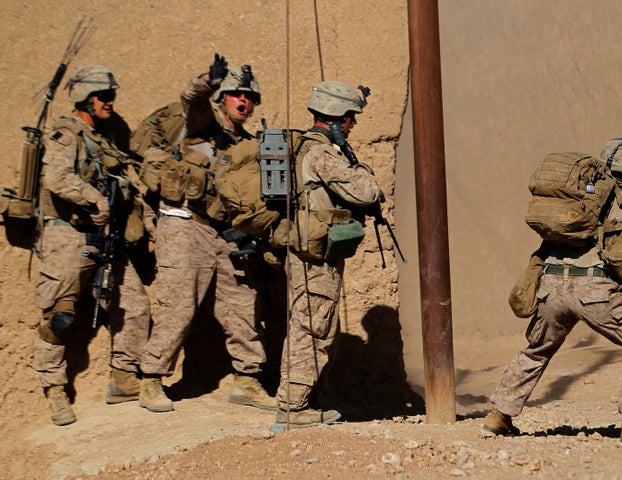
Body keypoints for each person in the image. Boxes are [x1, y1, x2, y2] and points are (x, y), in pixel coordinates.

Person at [484, 138, 622, 444]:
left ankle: (498, 416)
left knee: (537, 350)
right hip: (595, 290)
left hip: (551, 286)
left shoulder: (577, 199)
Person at [136, 55, 275, 413]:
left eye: (249, 97)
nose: (243, 101)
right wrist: (207, 81)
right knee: (178, 304)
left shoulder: (248, 145)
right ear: (222, 97)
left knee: (243, 301)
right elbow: (192, 99)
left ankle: (247, 379)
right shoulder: (200, 125)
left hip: (224, 232)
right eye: (235, 94)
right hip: (184, 225)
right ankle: (151, 378)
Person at [34, 65, 152, 426]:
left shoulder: (108, 135)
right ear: (85, 98)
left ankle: (123, 377)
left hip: (108, 237)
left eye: (112, 95)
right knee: (60, 315)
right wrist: (93, 199)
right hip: (68, 235)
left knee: (135, 304)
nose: (110, 101)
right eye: (103, 96)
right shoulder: (66, 134)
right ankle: (54, 388)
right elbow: (56, 177)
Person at [272, 80, 383, 430]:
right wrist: (362, 168)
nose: (353, 125)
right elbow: (366, 192)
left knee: (318, 325)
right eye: (351, 118)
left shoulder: (311, 148)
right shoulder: (321, 153)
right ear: (337, 117)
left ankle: (306, 403)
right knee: (311, 327)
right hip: (314, 257)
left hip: (314, 252)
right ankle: (292, 408)